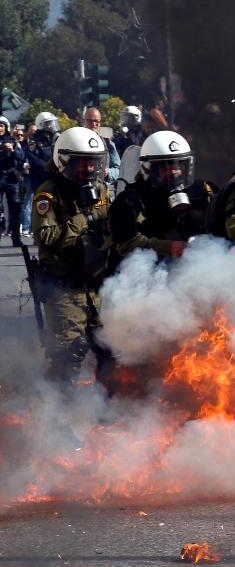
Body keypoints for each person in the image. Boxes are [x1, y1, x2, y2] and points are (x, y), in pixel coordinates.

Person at [32, 127, 114, 387]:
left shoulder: (101, 191)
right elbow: (47, 237)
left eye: (93, 164)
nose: (89, 171)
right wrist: (85, 218)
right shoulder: (48, 194)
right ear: (63, 162)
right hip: (63, 286)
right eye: (82, 165)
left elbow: (107, 216)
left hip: (96, 282)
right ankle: (57, 415)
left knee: (110, 349)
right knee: (69, 354)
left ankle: (111, 412)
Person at [109, 130, 214, 263]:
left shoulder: (200, 191)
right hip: (147, 270)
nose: (175, 172)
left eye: (178, 165)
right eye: (167, 167)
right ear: (150, 169)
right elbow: (126, 244)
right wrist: (169, 247)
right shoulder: (129, 200)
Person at [0, 116, 25, 246]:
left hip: (11, 178)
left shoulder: (13, 140)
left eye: (1, 126)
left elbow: (22, 157)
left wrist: (13, 150)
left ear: (6, 127)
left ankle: (16, 238)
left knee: (15, 209)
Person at [83, 107, 121, 192]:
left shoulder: (108, 144)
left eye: (97, 121)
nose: (94, 124)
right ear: (84, 121)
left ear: (100, 123)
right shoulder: (76, 141)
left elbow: (118, 169)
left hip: (102, 192)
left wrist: (108, 173)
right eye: (90, 120)